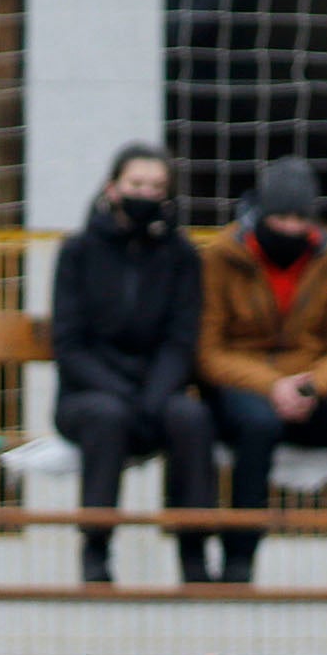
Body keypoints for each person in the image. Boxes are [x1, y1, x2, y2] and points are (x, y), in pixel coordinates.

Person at [198, 157, 327, 585]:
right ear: (260, 214)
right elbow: (209, 353)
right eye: (280, 217)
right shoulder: (221, 256)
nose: (289, 228)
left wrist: (311, 386)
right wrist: (271, 386)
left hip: (307, 392)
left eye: (299, 218)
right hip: (242, 390)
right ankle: (239, 559)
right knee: (257, 424)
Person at [50, 143, 216, 584]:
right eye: (137, 184)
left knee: (192, 417)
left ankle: (194, 555)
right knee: (107, 417)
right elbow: (68, 345)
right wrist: (121, 392)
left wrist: (154, 394)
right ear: (113, 187)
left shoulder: (182, 257)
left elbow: (181, 341)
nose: (146, 193)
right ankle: (96, 552)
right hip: (90, 397)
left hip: (157, 394)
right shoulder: (77, 252)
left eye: (157, 186)